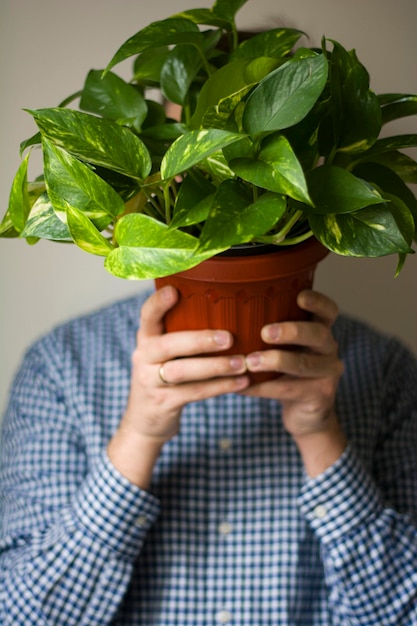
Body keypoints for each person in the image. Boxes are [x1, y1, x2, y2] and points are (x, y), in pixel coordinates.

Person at [0, 284, 416, 625]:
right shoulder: (61, 365)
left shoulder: (384, 369)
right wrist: (138, 438)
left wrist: (321, 432)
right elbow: (18, 616)